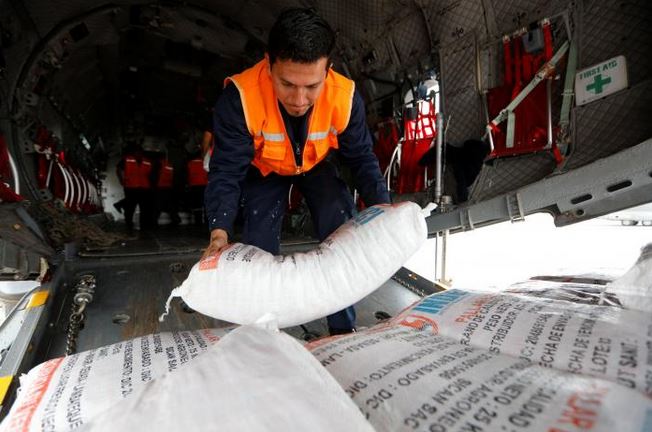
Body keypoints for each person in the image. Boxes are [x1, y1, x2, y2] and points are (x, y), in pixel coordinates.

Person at [203, 8, 390, 335]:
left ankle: (343, 330)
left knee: (338, 220)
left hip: (316, 165)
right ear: (268, 63)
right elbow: (226, 171)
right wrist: (219, 231)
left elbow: (362, 158)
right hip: (266, 169)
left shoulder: (345, 97)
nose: (299, 99)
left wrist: (385, 210)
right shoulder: (240, 98)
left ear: (328, 70)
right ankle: (264, 334)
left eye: (311, 86)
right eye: (286, 83)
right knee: (258, 238)